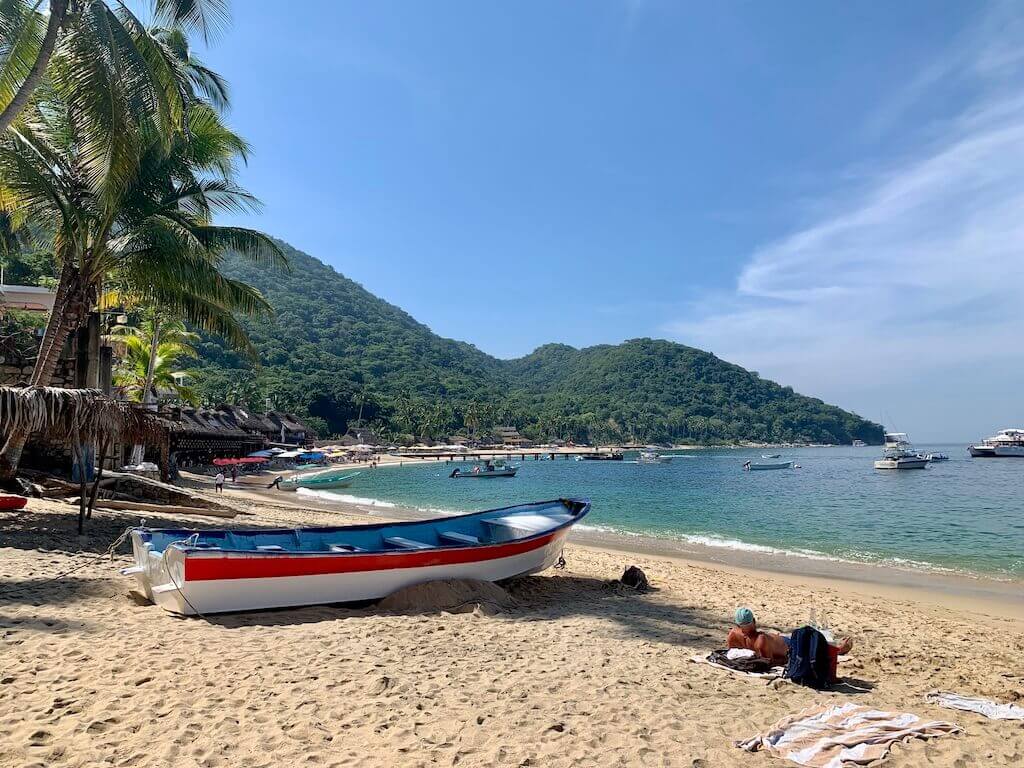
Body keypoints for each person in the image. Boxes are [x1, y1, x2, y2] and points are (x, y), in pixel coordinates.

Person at [728, 607, 853, 672]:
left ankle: (836, 646)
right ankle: (840, 650)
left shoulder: (733, 635)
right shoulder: (760, 640)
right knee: (814, 648)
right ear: (754, 621)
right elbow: (769, 663)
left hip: (782, 640)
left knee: (808, 638)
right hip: (789, 645)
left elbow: (731, 653)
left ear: (737, 624)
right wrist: (786, 658)